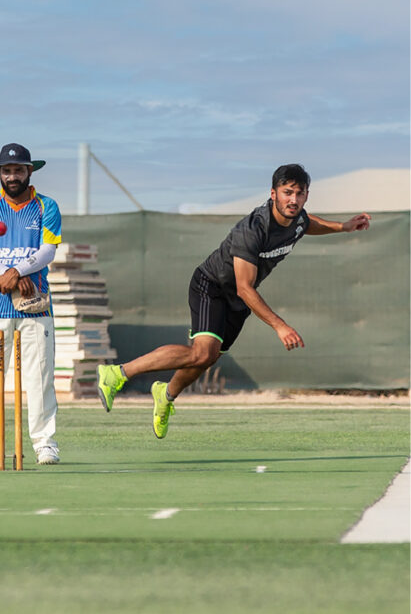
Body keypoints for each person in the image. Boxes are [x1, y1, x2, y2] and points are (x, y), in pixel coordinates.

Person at [97, 164, 371, 437]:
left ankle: (165, 395)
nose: (293, 199)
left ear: (306, 196)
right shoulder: (253, 229)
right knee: (202, 353)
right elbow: (245, 288)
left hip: (237, 300)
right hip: (212, 286)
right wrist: (280, 326)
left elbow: (307, 224)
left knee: (207, 358)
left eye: (300, 194)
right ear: (273, 193)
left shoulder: (297, 218)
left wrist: (343, 226)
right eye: (287, 192)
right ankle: (117, 374)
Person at [0, 143, 62, 465]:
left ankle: (44, 442)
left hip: (36, 306)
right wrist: (9, 275)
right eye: (6, 171)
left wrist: (19, 271)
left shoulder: (46, 206)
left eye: (18, 170)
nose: (12, 176)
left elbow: (48, 250)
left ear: (29, 171)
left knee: (40, 375)